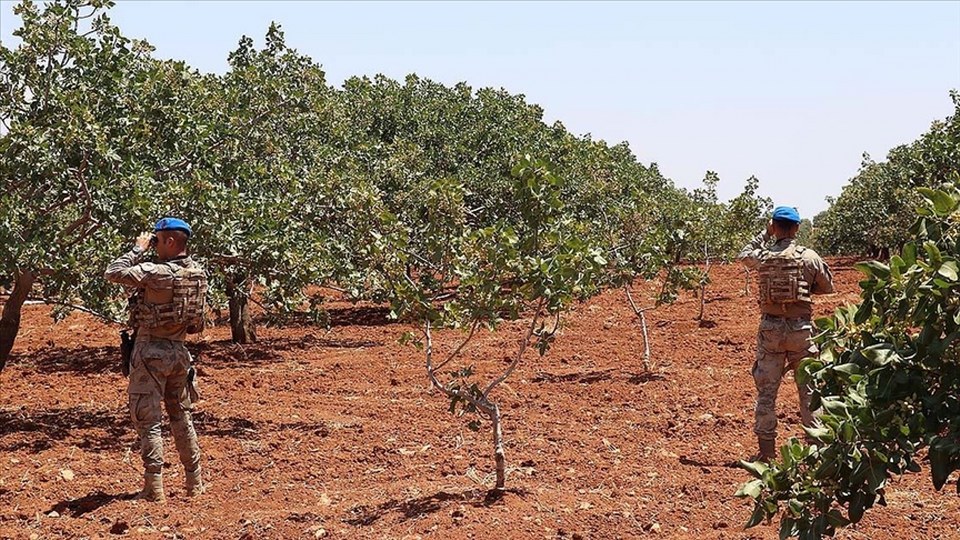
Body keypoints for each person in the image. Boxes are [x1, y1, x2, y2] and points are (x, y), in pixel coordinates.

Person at [104, 217, 207, 501]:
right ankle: (194, 483)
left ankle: (154, 488)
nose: (154, 245)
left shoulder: (158, 273)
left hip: (150, 352)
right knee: (181, 417)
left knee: (148, 420)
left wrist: (137, 249)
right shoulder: (198, 274)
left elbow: (113, 272)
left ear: (171, 242)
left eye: (158, 240)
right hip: (179, 353)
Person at [737, 206, 834, 461]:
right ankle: (816, 452)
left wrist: (763, 235)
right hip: (802, 331)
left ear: (774, 226)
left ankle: (766, 455)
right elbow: (827, 287)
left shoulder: (764, 256)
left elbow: (744, 254)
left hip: (771, 331)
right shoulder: (809, 256)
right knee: (809, 390)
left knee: (767, 392)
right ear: (797, 228)